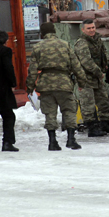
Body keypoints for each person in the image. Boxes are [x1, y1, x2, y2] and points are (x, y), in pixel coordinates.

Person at [26, 22, 86, 151]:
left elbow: (32, 70)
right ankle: (71, 140)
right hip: (64, 83)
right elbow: (76, 66)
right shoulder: (65, 45)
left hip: (46, 85)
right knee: (69, 111)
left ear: (42, 33)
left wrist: (30, 87)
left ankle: (52, 142)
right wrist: (82, 82)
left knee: (50, 114)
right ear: (54, 31)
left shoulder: (38, 47)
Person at [74, 19, 109, 137]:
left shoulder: (97, 40)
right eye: (89, 28)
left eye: (93, 27)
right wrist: (99, 72)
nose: (92, 30)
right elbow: (86, 62)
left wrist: (107, 67)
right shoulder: (81, 43)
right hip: (85, 78)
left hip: (97, 77)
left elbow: (104, 54)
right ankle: (92, 128)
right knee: (88, 104)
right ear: (83, 30)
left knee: (104, 101)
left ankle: (105, 124)